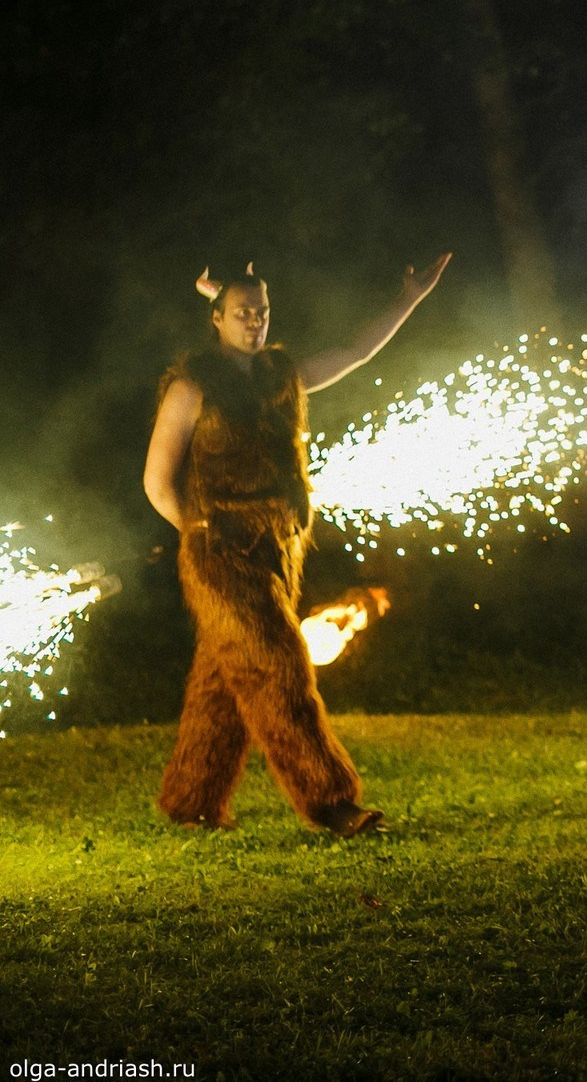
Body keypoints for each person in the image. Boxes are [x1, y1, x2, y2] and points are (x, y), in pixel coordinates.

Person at [143, 255, 450, 837]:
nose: (254, 322)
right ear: (217, 317)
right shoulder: (191, 386)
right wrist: (202, 534)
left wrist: (408, 296)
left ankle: (191, 801)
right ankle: (332, 802)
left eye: (261, 312)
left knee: (226, 676)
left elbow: (354, 352)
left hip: (277, 550)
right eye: (241, 313)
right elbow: (157, 482)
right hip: (220, 556)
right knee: (280, 665)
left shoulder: (278, 377)